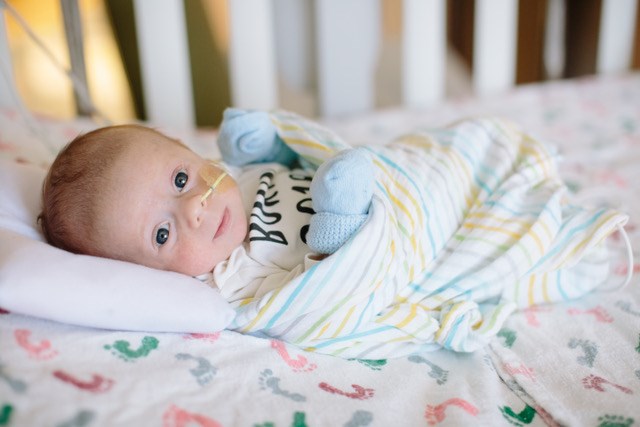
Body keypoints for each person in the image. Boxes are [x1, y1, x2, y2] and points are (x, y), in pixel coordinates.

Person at [39, 108, 374, 300]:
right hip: (374, 237)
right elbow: (317, 299)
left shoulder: (228, 178)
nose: (194, 207)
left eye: (181, 180)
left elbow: (286, 170)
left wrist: (265, 152)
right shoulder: (236, 278)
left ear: (188, 151)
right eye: (161, 234)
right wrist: (338, 233)